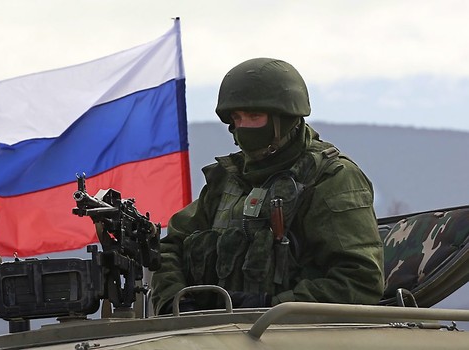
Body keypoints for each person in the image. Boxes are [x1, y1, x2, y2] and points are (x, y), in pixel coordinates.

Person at [150, 58, 384, 314]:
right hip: (213, 335)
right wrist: (177, 302)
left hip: (293, 335)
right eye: (237, 117)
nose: (243, 127)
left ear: (284, 119)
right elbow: (171, 247)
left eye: (254, 116)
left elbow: (360, 281)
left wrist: (273, 308)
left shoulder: (330, 178)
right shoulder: (227, 180)